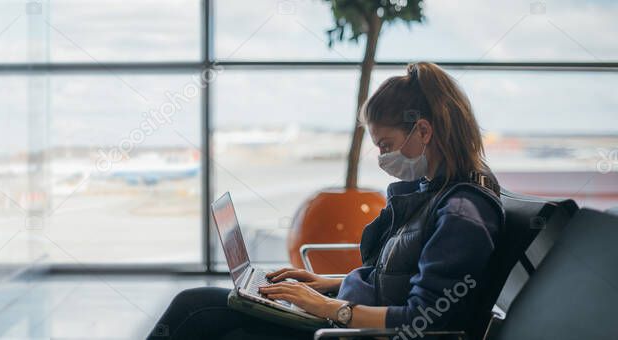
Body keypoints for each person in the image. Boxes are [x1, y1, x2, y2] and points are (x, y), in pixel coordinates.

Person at [148, 62, 504, 339]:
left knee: (196, 308)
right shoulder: (435, 193)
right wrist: (328, 283)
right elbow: (396, 277)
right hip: (344, 319)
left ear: (423, 131)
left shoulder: (462, 213)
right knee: (201, 305)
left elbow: (423, 320)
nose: (381, 157)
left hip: (347, 331)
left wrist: (329, 307)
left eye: (385, 145)